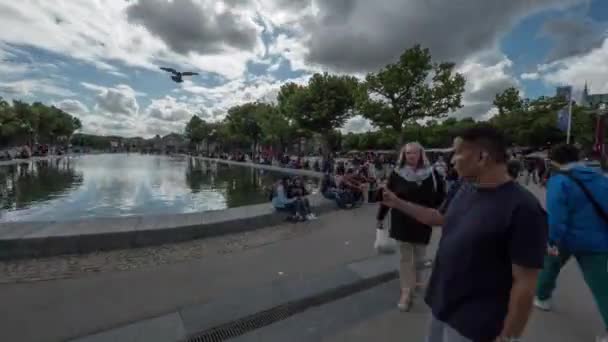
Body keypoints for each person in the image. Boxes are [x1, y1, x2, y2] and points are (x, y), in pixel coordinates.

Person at [381, 124, 546, 342]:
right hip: (441, 306)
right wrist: (397, 203)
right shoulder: (464, 186)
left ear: (481, 157)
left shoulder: (524, 209)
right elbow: (437, 217)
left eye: (457, 153)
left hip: (475, 324)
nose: (452, 160)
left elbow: (525, 284)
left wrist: (508, 336)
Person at [533, 144, 608, 342]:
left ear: (555, 160)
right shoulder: (599, 177)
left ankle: (542, 298)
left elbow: (557, 218)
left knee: (549, 266)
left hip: (566, 238)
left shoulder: (559, 182)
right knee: (602, 287)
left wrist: (551, 240)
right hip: (598, 241)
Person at [376, 142, 445, 312]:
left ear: (421, 154)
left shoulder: (433, 174)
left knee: (420, 257)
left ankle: (417, 281)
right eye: (407, 154)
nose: (411, 156)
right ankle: (406, 292)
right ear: (403, 155)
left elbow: (441, 198)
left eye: (414, 153)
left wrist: (440, 216)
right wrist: (380, 217)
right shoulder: (397, 174)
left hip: (423, 222)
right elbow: (387, 197)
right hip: (402, 221)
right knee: (406, 258)